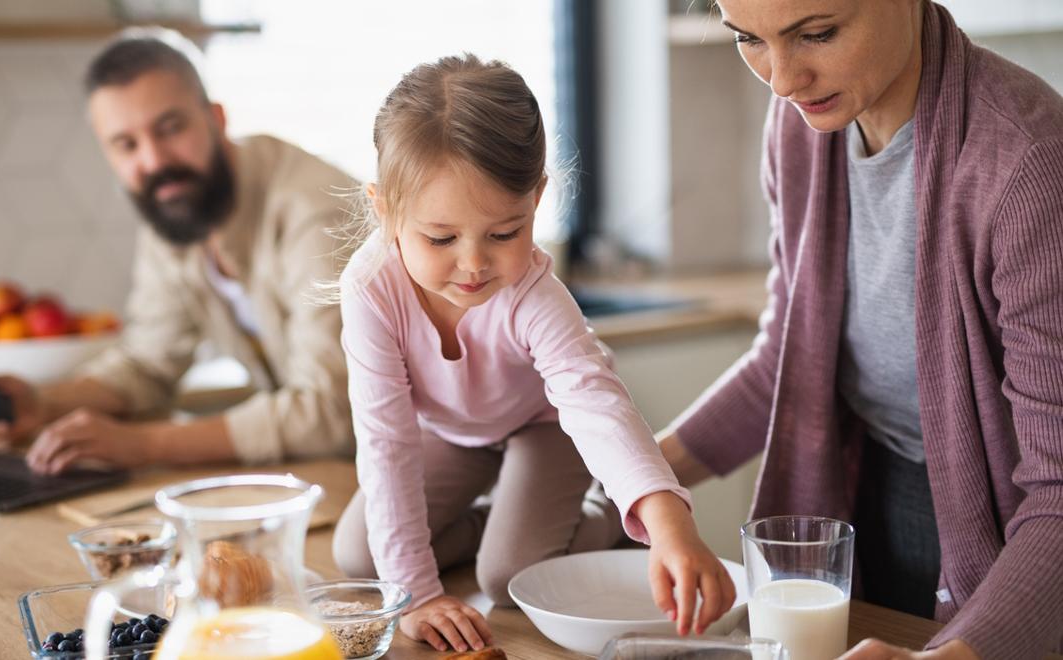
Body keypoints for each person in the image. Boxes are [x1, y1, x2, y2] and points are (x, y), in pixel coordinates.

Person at [656, 1, 1063, 658]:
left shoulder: (1027, 161)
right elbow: (788, 362)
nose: (782, 81)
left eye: (816, 34)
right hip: (867, 488)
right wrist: (634, 482)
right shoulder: (800, 129)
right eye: (748, 40)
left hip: (1014, 534)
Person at [330, 54, 735, 654]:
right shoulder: (369, 288)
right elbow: (386, 441)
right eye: (440, 238)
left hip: (547, 430)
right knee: (360, 554)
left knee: (506, 576)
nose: (473, 264)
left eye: (504, 233)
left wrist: (669, 526)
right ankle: (499, 518)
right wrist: (415, 594)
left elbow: (594, 406)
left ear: (538, 198)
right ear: (385, 211)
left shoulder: (534, 295)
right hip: (452, 433)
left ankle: (602, 511)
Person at [0, 29, 356, 474]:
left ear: (217, 118)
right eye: (127, 144)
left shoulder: (315, 212)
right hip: (318, 471)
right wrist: (41, 404)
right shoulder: (178, 208)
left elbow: (332, 411)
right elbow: (149, 363)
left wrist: (146, 445)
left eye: (170, 128)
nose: (153, 161)